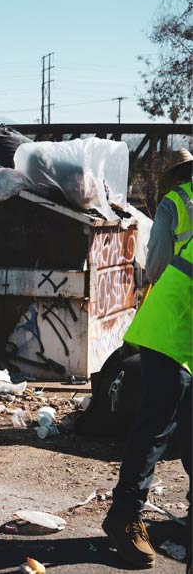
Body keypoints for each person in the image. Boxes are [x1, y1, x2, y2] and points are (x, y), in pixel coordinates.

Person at [102, 153, 192, 570]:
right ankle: (124, 518)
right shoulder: (179, 201)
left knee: (186, 428)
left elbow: (154, 265)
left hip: (180, 329)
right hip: (171, 330)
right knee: (156, 427)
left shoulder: (177, 201)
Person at [145, 148, 192, 283]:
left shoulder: (171, 202)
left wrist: (152, 277)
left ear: (174, 177)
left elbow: (157, 262)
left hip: (184, 283)